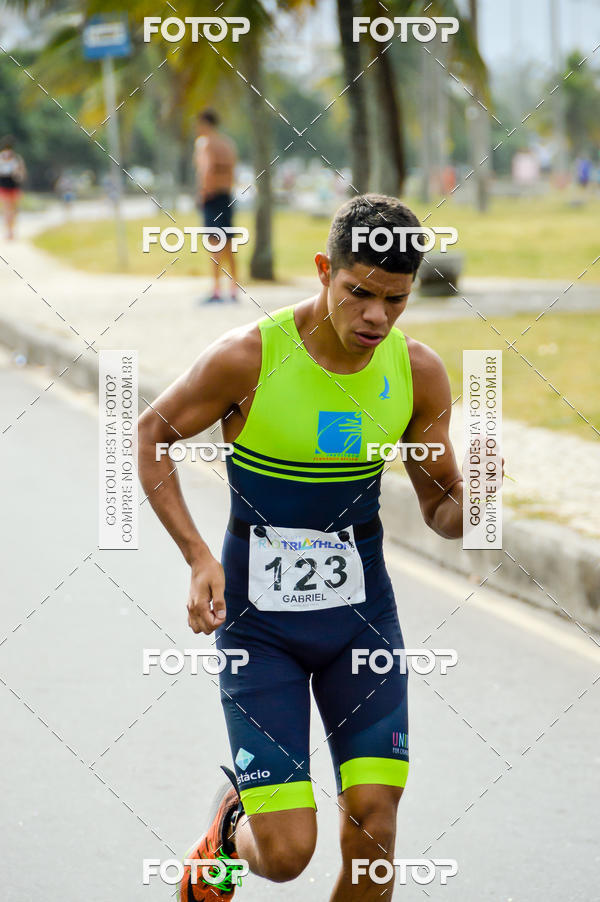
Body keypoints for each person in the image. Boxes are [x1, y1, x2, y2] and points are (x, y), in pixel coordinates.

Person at [138, 194, 466, 901]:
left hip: (362, 623)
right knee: (286, 854)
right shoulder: (248, 358)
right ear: (324, 271)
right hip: (261, 630)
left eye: (396, 300)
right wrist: (197, 554)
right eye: (359, 293)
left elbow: (444, 512)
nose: (376, 316)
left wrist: (482, 501)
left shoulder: (418, 372)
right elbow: (149, 434)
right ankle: (233, 828)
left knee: (375, 830)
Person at [193, 109, 238, 304]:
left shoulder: (205, 144)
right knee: (228, 243)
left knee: (214, 243)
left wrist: (202, 193)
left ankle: (217, 289)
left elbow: (207, 169)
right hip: (226, 195)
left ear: (205, 123)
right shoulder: (228, 144)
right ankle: (235, 287)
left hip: (212, 196)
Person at [0, 136, 26, 240]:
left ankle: (11, 230)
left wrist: (17, 174)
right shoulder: (1, 158)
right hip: (5, 187)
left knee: (13, 210)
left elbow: (22, 174)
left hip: (14, 187)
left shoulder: (17, 159)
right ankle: (9, 231)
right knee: (7, 210)